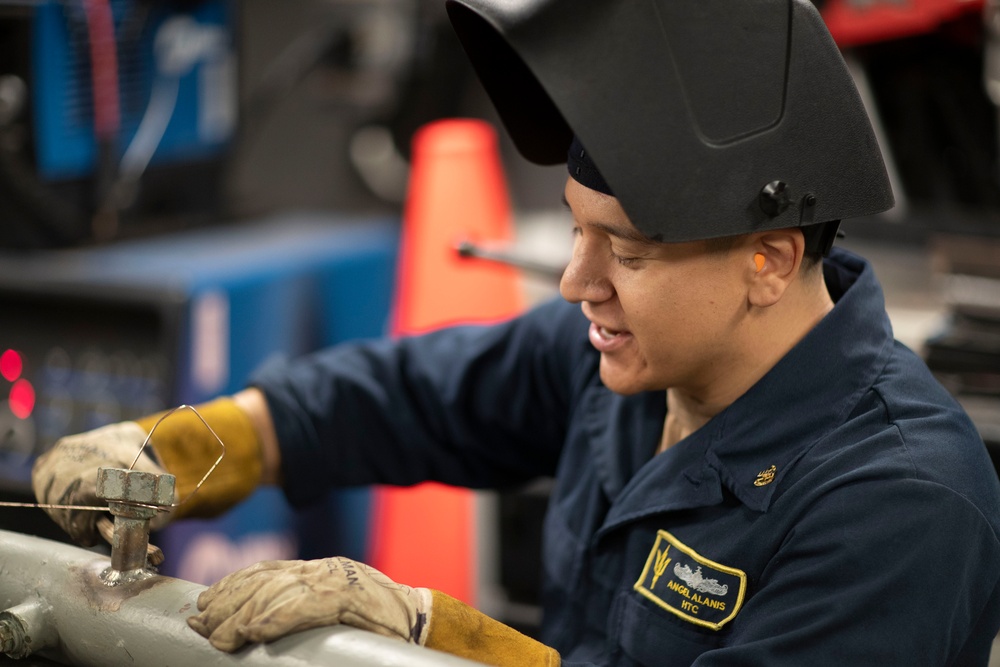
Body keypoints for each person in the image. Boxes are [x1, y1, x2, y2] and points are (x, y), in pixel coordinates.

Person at [32, 0, 1000, 665]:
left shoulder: (900, 505)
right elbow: (410, 393)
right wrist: (200, 446)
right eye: (577, 229)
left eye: (626, 250)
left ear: (771, 261)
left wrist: (422, 632)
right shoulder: (631, 361)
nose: (579, 282)